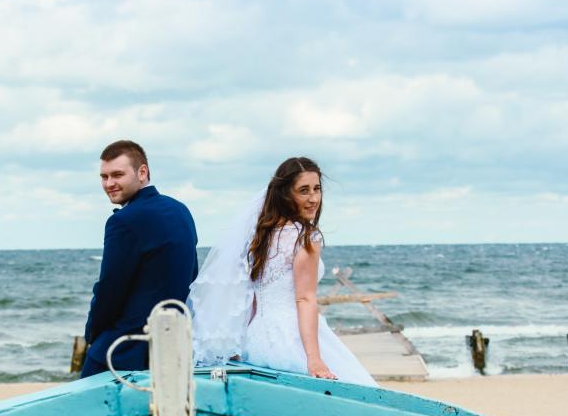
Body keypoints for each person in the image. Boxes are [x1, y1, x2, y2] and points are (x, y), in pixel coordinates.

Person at [190, 156, 376, 386]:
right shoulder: (306, 236)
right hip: (292, 340)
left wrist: (238, 345)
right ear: (286, 194)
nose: (313, 198)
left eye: (317, 189)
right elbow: (305, 298)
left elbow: (251, 299)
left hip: (256, 342)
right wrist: (315, 359)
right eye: (304, 191)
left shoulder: (261, 236)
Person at [82, 140, 199, 377]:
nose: (109, 183)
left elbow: (110, 290)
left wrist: (92, 334)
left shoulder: (123, 221)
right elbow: (192, 274)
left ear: (142, 172)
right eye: (104, 177)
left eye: (117, 175)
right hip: (175, 345)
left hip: (126, 348)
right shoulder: (180, 210)